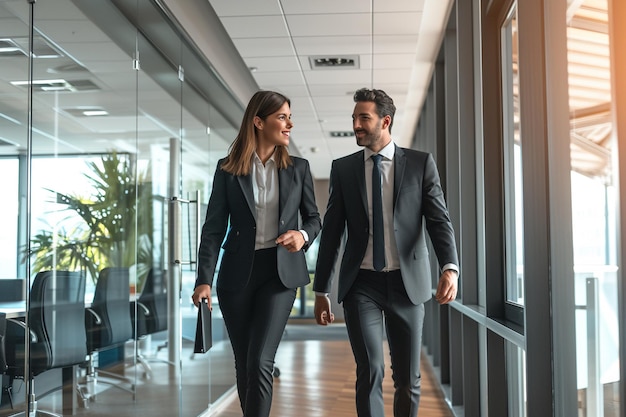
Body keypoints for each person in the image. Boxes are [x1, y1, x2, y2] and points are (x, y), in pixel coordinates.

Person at [313, 88, 459, 417]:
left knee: (408, 378)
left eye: (364, 118)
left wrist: (449, 267)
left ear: (385, 121)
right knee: (370, 371)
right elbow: (332, 233)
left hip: (408, 285)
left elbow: (439, 221)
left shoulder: (420, 164)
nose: (356, 125)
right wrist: (321, 289)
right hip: (360, 284)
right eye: (354, 119)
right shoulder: (344, 169)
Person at [192, 90, 321, 417]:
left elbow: (314, 219)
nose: (289, 124)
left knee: (261, 359)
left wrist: (302, 235)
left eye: (289, 117)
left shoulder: (299, 168)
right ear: (258, 121)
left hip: (279, 275)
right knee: (245, 362)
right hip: (237, 274)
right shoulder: (228, 169)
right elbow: (213, 226)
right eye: (282, 117)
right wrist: (203, 280)